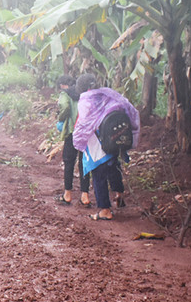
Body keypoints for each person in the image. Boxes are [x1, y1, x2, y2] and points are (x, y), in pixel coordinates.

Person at [71, 74, 140, 221]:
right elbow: (127, 108)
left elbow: (83, 124)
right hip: (114, 140)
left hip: (98, 144)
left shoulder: (85, 101)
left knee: (99, 176)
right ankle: (119, 194)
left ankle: (105, 210)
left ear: (81, 88)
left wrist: (78, 139)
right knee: (114, 168)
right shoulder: (107, 95)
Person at [55, 74, 92, 207]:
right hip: (85, 132)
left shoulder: (65, 94)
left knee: (69, 162)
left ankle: (67, 194)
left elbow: (64, 107)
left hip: (72, 131)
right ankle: (85, 196)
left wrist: (60, 118)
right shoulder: (85, 93)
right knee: (84, 163)